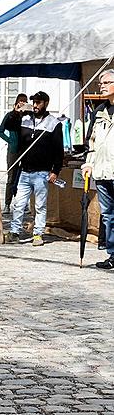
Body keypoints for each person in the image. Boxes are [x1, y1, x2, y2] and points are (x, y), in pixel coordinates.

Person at [3, 91, 64, 246]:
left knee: (40, 205)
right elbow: (9, 126)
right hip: (25, 170)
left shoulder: (53, 123)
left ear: (46, 103)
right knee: (19, 204)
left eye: (39, 102)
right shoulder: (24, 119)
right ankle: (15, 231)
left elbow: (58, 150)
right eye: (34, 102)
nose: (35, 105)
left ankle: (38, 233)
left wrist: (55, 171)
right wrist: (16, 112)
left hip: (42, 172)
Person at [83, 70, 114, 269]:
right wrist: (89, 163)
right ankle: (113, 255)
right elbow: (91, 142)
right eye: (100, 82)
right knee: (109, 215)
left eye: (106, 82)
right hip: (102, 172)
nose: (101, 85)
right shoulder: (99, 111)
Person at [0, 93, 28, 212]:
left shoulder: (28, 116)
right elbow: (0, 131)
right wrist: (10, 140)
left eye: (24, 102)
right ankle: (7, 203)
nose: (22, 104)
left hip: (26, 149)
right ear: (16, 103)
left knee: (24, 177)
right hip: (13, 150)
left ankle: (23, 203)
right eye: (21, 101)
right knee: (11, 177)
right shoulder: (10, 115)